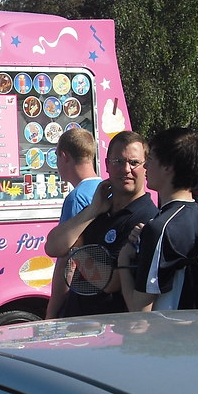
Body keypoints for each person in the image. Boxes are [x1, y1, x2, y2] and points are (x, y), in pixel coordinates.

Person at [45, 131, 159, 318]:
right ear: (106, 165)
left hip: (109, 331)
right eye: (118, 162)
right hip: (77, 324)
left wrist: (75, 249)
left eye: (134, 163)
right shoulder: (99, 207)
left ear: (145, 166)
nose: (126, 169)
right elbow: (52, 246)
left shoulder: (146, 218)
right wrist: (92, 211)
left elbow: (110, 281)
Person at [117, 127, 198, 312]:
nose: (145, 166)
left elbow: (139, 312)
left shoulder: (160, 229)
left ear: (168, 166)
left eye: (151, 159)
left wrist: (123, 261)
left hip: (162, 336)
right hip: (195, 335)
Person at [45, 128, 104, 316]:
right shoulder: (103, 189)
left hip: (82, 295)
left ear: (64, 156)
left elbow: (67, 262)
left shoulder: (77, 198)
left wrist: (52, 311)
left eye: (56, 157)